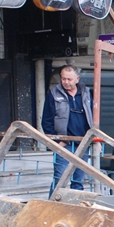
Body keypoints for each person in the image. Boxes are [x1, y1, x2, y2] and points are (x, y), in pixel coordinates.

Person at [41, 65, 94, 196]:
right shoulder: (53, 93)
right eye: (63, 78)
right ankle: (52, 208)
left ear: (77, 79)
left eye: (69, 79)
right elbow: (46, 121)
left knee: (78, 181)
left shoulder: (87, 93)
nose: (66, 82)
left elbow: (94, 116)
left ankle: (75, 209)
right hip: (64, 144)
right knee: (60, 180)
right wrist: (58, 141)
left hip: (83, 143)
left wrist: (94, 140)